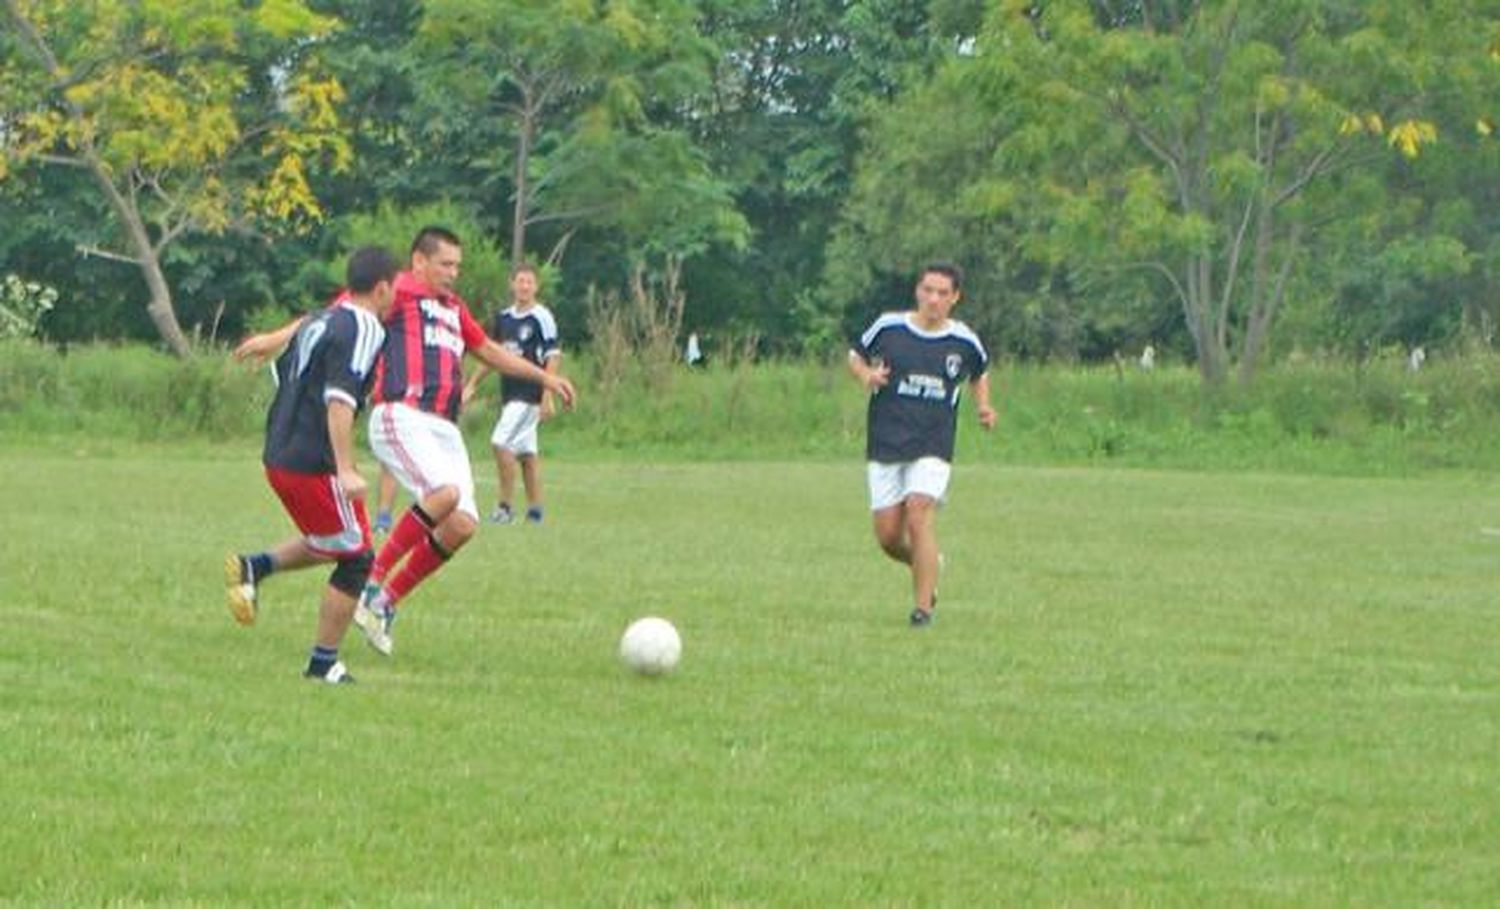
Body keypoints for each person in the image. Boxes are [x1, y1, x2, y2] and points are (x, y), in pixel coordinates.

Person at [235, 226, 577, 658]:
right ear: (418, 262)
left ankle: (382, 602)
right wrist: (274, 338)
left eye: (457, 265)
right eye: (445, 264)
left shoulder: (453, 308)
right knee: (443, 494)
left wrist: (545, 376)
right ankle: (370, 579)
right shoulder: (395, 291)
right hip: (402, 412)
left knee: (462, 523)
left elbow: (489, 350)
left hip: (443, 428)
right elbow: (332, 316)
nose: (453, 273)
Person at [224, 246, 401, 683]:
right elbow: (338, 401)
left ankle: (256, 566)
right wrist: (345, 467)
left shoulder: (324, 319)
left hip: (280, 453)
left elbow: (296, 363)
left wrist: (271, 339)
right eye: (394, 289)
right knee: (356, 556)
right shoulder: (365, 327)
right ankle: (323, 664)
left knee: (338, 539)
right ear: (381, 289)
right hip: (312, 462)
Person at [846, 261, 996, 627]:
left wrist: (984, 407)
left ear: (955, 298)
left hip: (933, 442)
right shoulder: (889, 327)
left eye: (942, 293)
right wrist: (867, 375)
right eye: (928, 290)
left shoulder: (963, 341)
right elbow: (855, 355)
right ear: (918, 291)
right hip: (886, 441)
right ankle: (928, 565)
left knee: (919, 511)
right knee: (888, 537)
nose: (933, 299)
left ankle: (922, 609)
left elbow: (979, 372)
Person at [461, 262, 561, 525]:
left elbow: (552, 356)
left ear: (536, 286)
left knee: (500, 442)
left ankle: (505, 507)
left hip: (529, 396)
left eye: (529, 281)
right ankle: (535, 511)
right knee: (527, 454)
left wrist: (547, 396)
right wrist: (472, 384)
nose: (524, 286)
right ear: (512, 284)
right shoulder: (504, 318)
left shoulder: (542, 317)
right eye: (520, 281)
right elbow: (491, 355)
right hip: (510, 395)